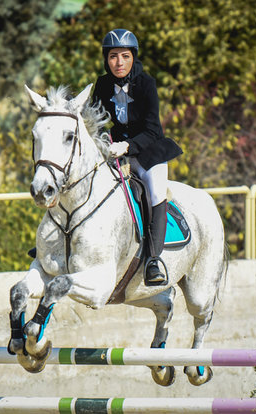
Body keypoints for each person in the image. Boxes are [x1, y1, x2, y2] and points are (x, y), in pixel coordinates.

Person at [92, 29, 183, 286]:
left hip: (148, 151)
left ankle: (154, 259)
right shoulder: (102, 85)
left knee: (155, 192)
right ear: (106, 59)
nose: (118, 62)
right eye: (112, 57)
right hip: (114, 151)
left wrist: (127, 147)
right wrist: (101, 142)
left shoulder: (147, 84)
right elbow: (95, 122)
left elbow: (153, 129)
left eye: (124, 56)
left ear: (133, 57)